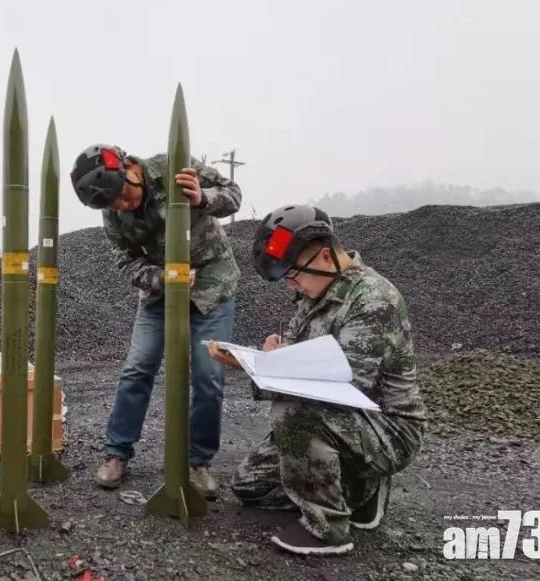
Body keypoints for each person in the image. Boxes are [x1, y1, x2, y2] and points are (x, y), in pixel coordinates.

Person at [206, 204, 426, 555]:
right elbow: (299, 355)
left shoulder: (373, 299)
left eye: (294, 275)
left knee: (291, 412)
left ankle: (329, 528)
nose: (292, 285)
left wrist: (270, 367)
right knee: (249, 486)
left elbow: (347, 385)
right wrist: (266, 357)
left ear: (325, 256)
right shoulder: (314, 293)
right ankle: (359, 490)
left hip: (385, 427)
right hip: (335, 418)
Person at [69, 144, 241, 498]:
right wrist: (162, 278)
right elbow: (126, 261)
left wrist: (203, 198)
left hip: (212, 286)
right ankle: (117, 453)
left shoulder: (175, 168)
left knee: (208, 375)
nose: (123, 206)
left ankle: (198, 462)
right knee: (137, 369)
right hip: (160, 293)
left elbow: (233, 195)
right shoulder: (112, 212)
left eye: (124, 195)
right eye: (113, 204)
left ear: (131, 169)